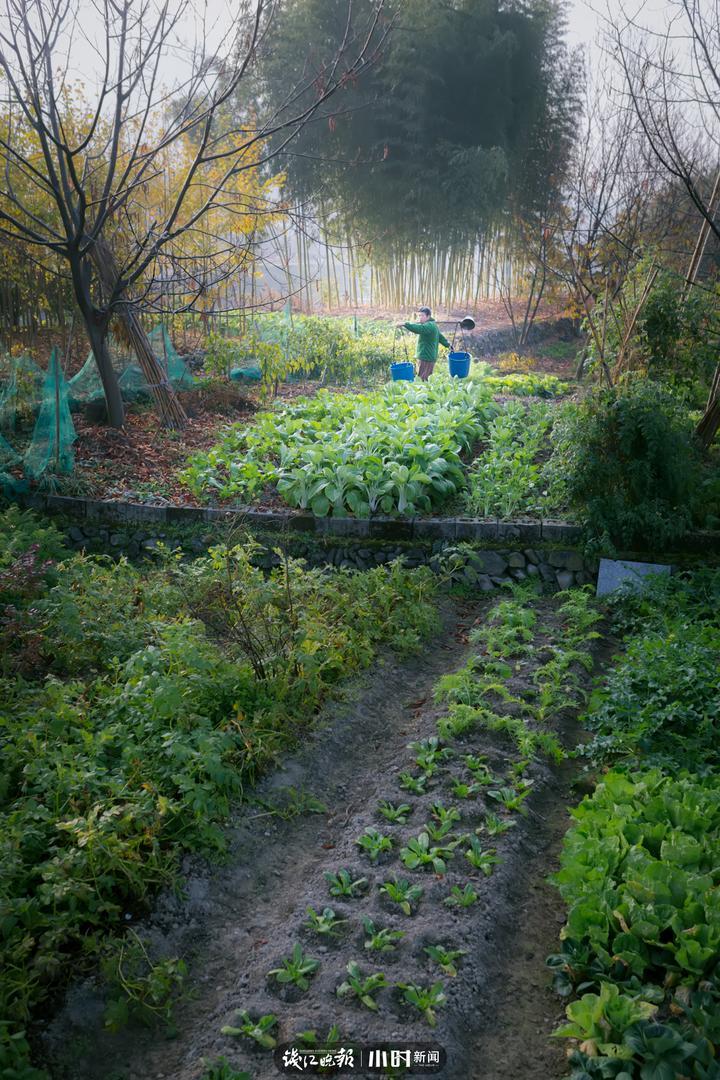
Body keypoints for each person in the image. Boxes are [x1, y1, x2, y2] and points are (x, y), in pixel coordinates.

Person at [398, 307, 451, 381]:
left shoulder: (429, 325)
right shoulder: (433, 325)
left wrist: (405, 324)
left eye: (422, 315)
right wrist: (448, 345)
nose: (420, 318)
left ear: (428, 316)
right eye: (419, 315)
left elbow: (419, 329)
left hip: (426, 357)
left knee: (422, 380)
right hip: (427, 357)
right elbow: (440, 337)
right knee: (424, 378)